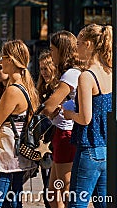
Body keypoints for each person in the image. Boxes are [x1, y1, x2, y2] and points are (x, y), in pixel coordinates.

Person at [0, 40, 39, 208]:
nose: (0, 62)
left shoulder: (13, 90)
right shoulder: (25, 87)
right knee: (13, 202)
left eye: (4, 57)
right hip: (15, 155)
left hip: (5, 155)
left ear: (11, 60)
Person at [64, 24, 112, 208]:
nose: (76, 49)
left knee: (77, 203)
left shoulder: (86, 76)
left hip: (90, 146)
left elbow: (85, 118)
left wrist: (69, 113)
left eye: (78, 44)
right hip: (107, 147)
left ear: (89, 44)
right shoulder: (110, 71)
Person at [42, 30, 83, 207]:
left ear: (62, 50)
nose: (51, 54)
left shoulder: (70, 75)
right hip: (63, 131)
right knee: (53, 191)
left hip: (66, 133)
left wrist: (48, 107)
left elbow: (49, 106)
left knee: (65, 189)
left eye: (52, 50)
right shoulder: (73, 73)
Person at [36, 51, 58, 208]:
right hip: (44, 144)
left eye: (46, 68)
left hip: (56, 142)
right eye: (41, 69)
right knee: (47, 186)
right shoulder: (41, 89)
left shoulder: (59, 89)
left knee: (55, 188)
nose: (43, 72)